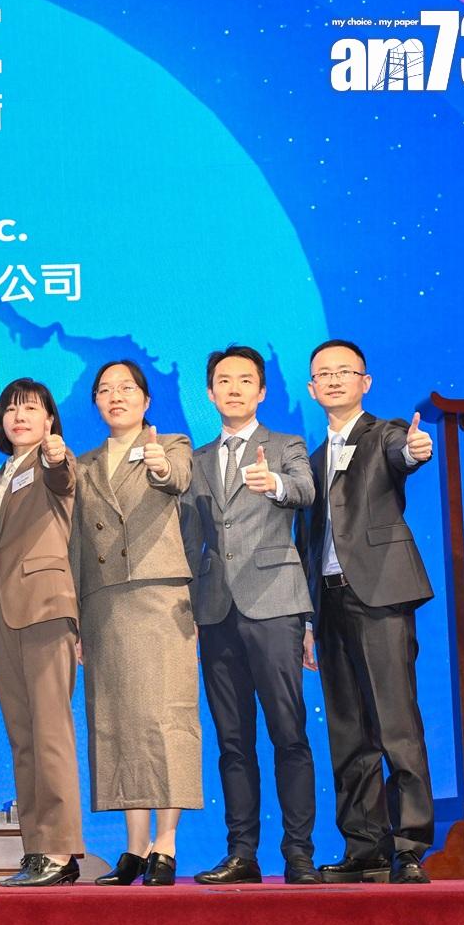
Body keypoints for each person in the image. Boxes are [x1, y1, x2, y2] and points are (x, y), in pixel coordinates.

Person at [296, 338, 436, 885]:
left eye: (344, 371)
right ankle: (365, 847)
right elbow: (309, 543)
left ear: (365, 381)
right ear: (312, 389)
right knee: (348, 730)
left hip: (379, 594)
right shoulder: (311, 461)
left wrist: (416, 449)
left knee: (395, 724)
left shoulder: (385, 434)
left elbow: (406, 452)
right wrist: (308, 621)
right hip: (328, 602)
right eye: (323, 374)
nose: (333, 380)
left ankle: (410, 845)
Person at [179, 346, 320, 886]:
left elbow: (306, 490)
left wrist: (275, 484)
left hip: (275, 605)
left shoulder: (285, 445)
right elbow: (191, 539)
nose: (233, 388)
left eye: (245, 380)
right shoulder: (198, 458)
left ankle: (299, 854)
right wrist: (189, 608)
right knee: (233, 741)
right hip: (216, 611)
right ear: (210, 393)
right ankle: (242, 854)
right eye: (223, 380)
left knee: (289, 733)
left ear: (261, 391)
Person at [70, 360, 200, 887]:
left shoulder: (170, 444)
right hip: (103, 603)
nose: (115, 396)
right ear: (96, 403)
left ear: (146, 400)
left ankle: (166, 844)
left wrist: (160, 465)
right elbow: (77, 546)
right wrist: (76, 618)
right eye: (105, 389)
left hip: (158, 595)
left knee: (165, 716)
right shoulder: (82, 464)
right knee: (117, 721)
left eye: (126, 388)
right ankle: (135, 846)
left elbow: (178, 478)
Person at [0, 378, 83, 887]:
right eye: (11, 409)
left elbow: (63, 479)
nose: (20, 417)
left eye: (31, 408)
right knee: (23, 739)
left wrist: (55, 456)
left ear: (49, 419)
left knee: (51, 733)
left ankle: (61, 850)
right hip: (1, 620)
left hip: (45, 609)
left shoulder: (55, 463)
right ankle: (37, 848)